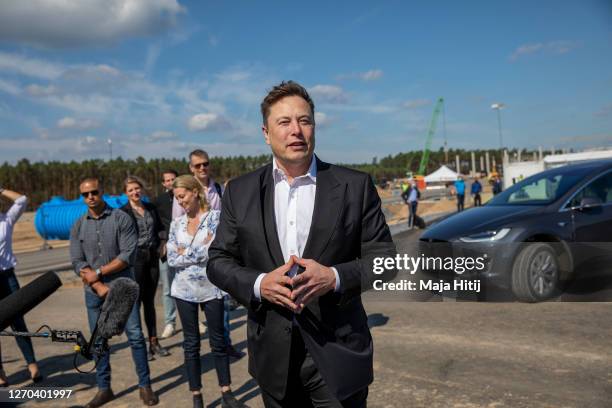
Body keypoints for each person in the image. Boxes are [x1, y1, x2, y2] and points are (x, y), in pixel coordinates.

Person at [208, 81, 397, 407]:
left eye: (305, 120)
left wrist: (334, 278)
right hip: (273, 358)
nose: (296, 130)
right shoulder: (239, 192)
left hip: (338, 351)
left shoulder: (355, 186)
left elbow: (385, 260)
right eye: (284, 122)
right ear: (266, 133)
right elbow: (218, 260)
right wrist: (259, 284)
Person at [69, 177, 158, 408]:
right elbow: (77, 261)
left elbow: (127, 255)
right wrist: (97, 285)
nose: (90, 197)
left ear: (103, 192)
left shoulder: (121, 219)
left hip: (122, 290)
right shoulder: (78, 224)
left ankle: (145, 385)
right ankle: (104, 388)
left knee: (136, 338)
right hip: (93, 293)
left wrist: (97, 272)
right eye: (85, 194)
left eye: (94, 192)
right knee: (98, 342)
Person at [166, 175, 246, 408]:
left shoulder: (214, 218)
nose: (180, 202)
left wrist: (185, 253)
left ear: (194, 192)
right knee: (191, 344)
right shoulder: (176, 224)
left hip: (212, 288)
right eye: (176, 198)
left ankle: (226, 393)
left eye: (182, 196)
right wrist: (194, 251)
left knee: (218, 341)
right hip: (183, 291)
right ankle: (196, 394)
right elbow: (171, 258)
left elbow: (212, 251)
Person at [188, 149, 244, 360]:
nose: (202, 168)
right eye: (198, 165)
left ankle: (224, 345)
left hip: (218, 253)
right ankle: (195, 355)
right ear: (191, 168)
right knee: (194, 307)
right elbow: (179, 223)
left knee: (222, 301)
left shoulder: (217, 188)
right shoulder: (186, 189)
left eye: (205, 164)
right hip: (194, 258)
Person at [121, 176, 170, 360]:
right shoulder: (123, 212)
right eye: (130, 190)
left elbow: (160, 228)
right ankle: (140, 345)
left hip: (152, 258)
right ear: (126, 193)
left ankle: (154, 342)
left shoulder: (150, 208)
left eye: (137, 188)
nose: (135, 192)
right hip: (136, 261)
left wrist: (163, 243)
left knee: (150, 302)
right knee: (137, 302)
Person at [0, 187, 42, 387]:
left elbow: (22, 200)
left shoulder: (6, 220)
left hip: (8, 277)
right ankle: (0, 372)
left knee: (18, 322)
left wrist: (1, 190)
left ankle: (32, 364)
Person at [154, 170, 179, 339]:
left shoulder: (185, 195)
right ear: (163, 184)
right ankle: (170, 322)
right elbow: (156, 225)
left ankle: (194, 320)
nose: (170, 182)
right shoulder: (158, 201)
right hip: (167, 249)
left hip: (186, 248)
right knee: (168, 288)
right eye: (167, 180)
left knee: (189, 285)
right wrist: (162, 242)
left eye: (173, 179)